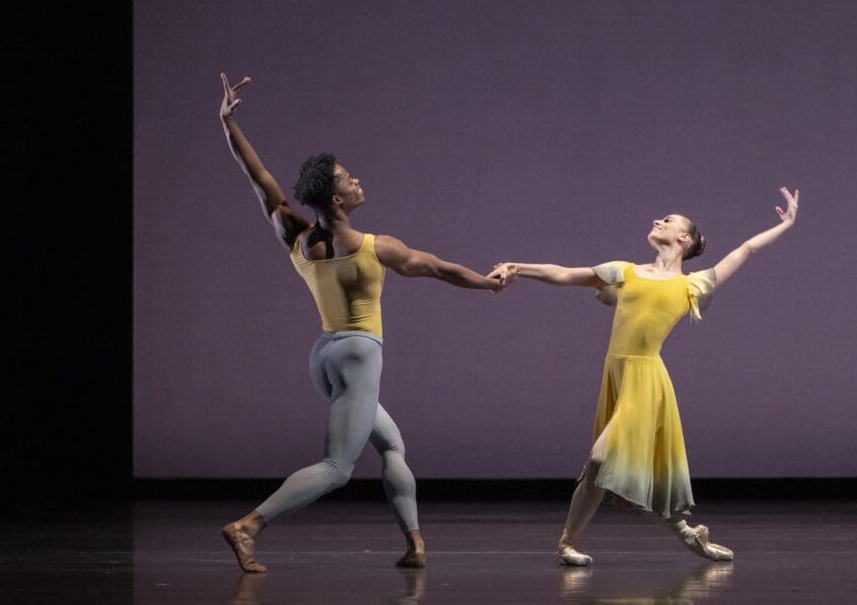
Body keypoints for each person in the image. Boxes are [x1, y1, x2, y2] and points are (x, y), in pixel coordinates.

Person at [217, 73, 508, 572]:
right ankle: (248, 527)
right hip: (358, 353)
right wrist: (486, 282)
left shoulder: (294, 233)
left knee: (391, 443)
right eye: (349, 180)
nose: (358, 183)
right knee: (337, 468)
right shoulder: (376, 247)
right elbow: (437, 267)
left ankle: (415, 544)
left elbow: (258, 176)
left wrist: (228, 123)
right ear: (336, 200)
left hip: (325, 356)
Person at [490, 188, 800, 565]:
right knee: (614, 467)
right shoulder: (625, 272)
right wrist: (516, 267)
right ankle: (673, 535)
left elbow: (746, 250)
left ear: (684, 238)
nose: (658, 221)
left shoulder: (691, 285)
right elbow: (565, 273)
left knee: (601, 459)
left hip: (646, 381)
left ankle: (575, 541)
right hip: (618, 375)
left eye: (668, 220)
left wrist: (785, 224)